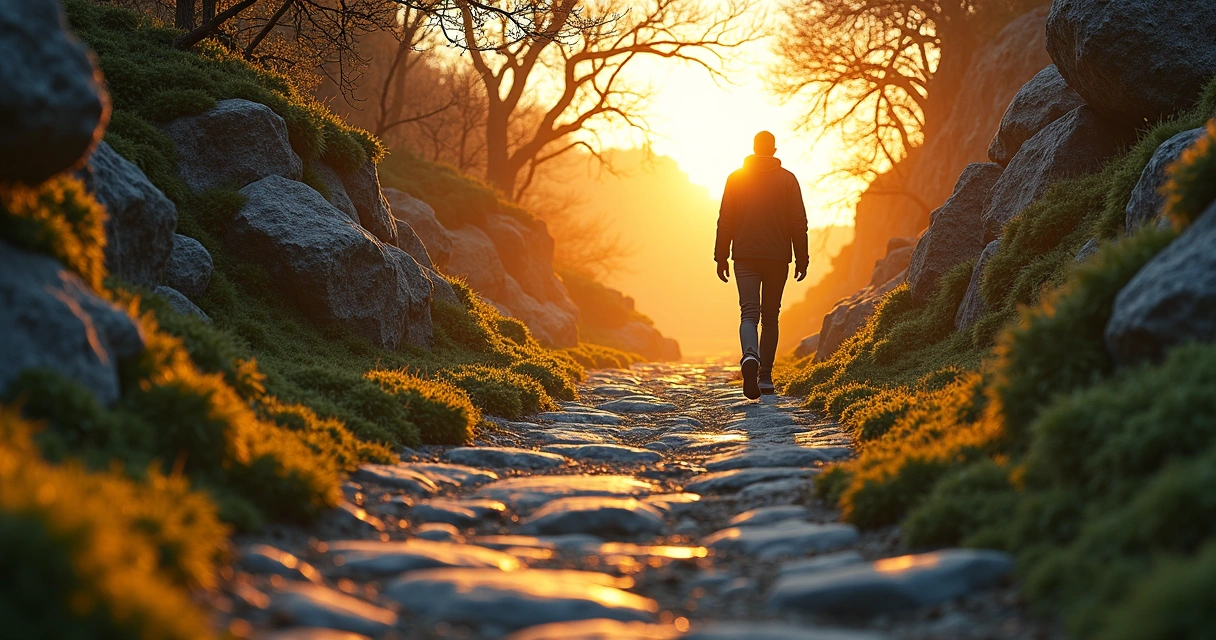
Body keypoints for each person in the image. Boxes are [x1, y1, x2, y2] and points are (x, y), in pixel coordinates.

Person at [714, 131, 809, 400]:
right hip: (777, 258)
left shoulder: (736, 178)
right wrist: (802, 257)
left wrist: (721, 256)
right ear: (774, 150)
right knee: (770, 318)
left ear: (754, 149)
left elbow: (725, 220)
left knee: (748, 314)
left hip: (744, 256)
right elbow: (798, 222)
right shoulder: (788, 180)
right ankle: (765, 377)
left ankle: (750, 356)